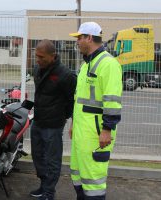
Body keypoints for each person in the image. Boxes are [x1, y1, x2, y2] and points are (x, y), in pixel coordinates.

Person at [69, 22, 122, 200]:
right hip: (81, 132)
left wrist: (107, 129)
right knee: (78, 178)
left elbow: (112, 102)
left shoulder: (109, 64)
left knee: (93, 184)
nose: (77, 42)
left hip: (96, 133)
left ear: (89, 38)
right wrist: (72, 124)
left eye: (79, 38)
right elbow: (79, 100)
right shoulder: (86, 65)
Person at [30, 39, 77, 200]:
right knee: (37, 156)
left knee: (52, 160)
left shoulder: (65, 75)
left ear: (53, 56)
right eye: (36, 56)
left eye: (42, 57)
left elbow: (72, 100)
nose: (38, 60)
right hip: (37, 121)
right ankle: (43, 186)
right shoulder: (37, 68)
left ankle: (50, 192)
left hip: (54, 125)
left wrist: (63, 117)